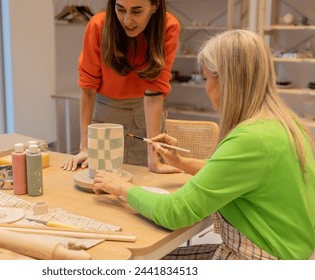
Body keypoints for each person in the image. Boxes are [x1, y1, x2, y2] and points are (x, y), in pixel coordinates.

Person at [93, 29, 315, 260]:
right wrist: (181, 162)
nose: (206, 86)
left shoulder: (251, 139)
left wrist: (121, 188)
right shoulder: (284, 123)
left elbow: (175, 213)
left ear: (226, 81)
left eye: (207, 78)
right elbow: (234, 174)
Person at [61, 0, 180, 173]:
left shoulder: (168, 26)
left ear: (154, 6)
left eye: (137, 11)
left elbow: (154, 91)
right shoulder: (98, 25)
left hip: (145, 117)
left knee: (142, 181)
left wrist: (153, 159)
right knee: (99, 182)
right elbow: (88, 89)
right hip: (105, 115)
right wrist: (85, 147)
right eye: (120, 9)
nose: (126, 20)